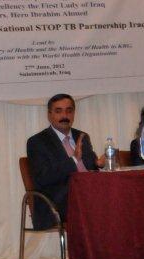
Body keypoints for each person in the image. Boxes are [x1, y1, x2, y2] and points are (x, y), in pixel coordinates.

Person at [26, 93, 102, 229]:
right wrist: (73, 159)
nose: (64, 116)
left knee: (116, 196)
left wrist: (98, 164)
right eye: (58, 111)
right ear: (49, 115)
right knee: (104, 203)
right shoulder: (37, 142)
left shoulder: (82, 136)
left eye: (69, 110)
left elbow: (91, 170)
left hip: (89, 193)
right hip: (57, 201)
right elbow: (43, 178)